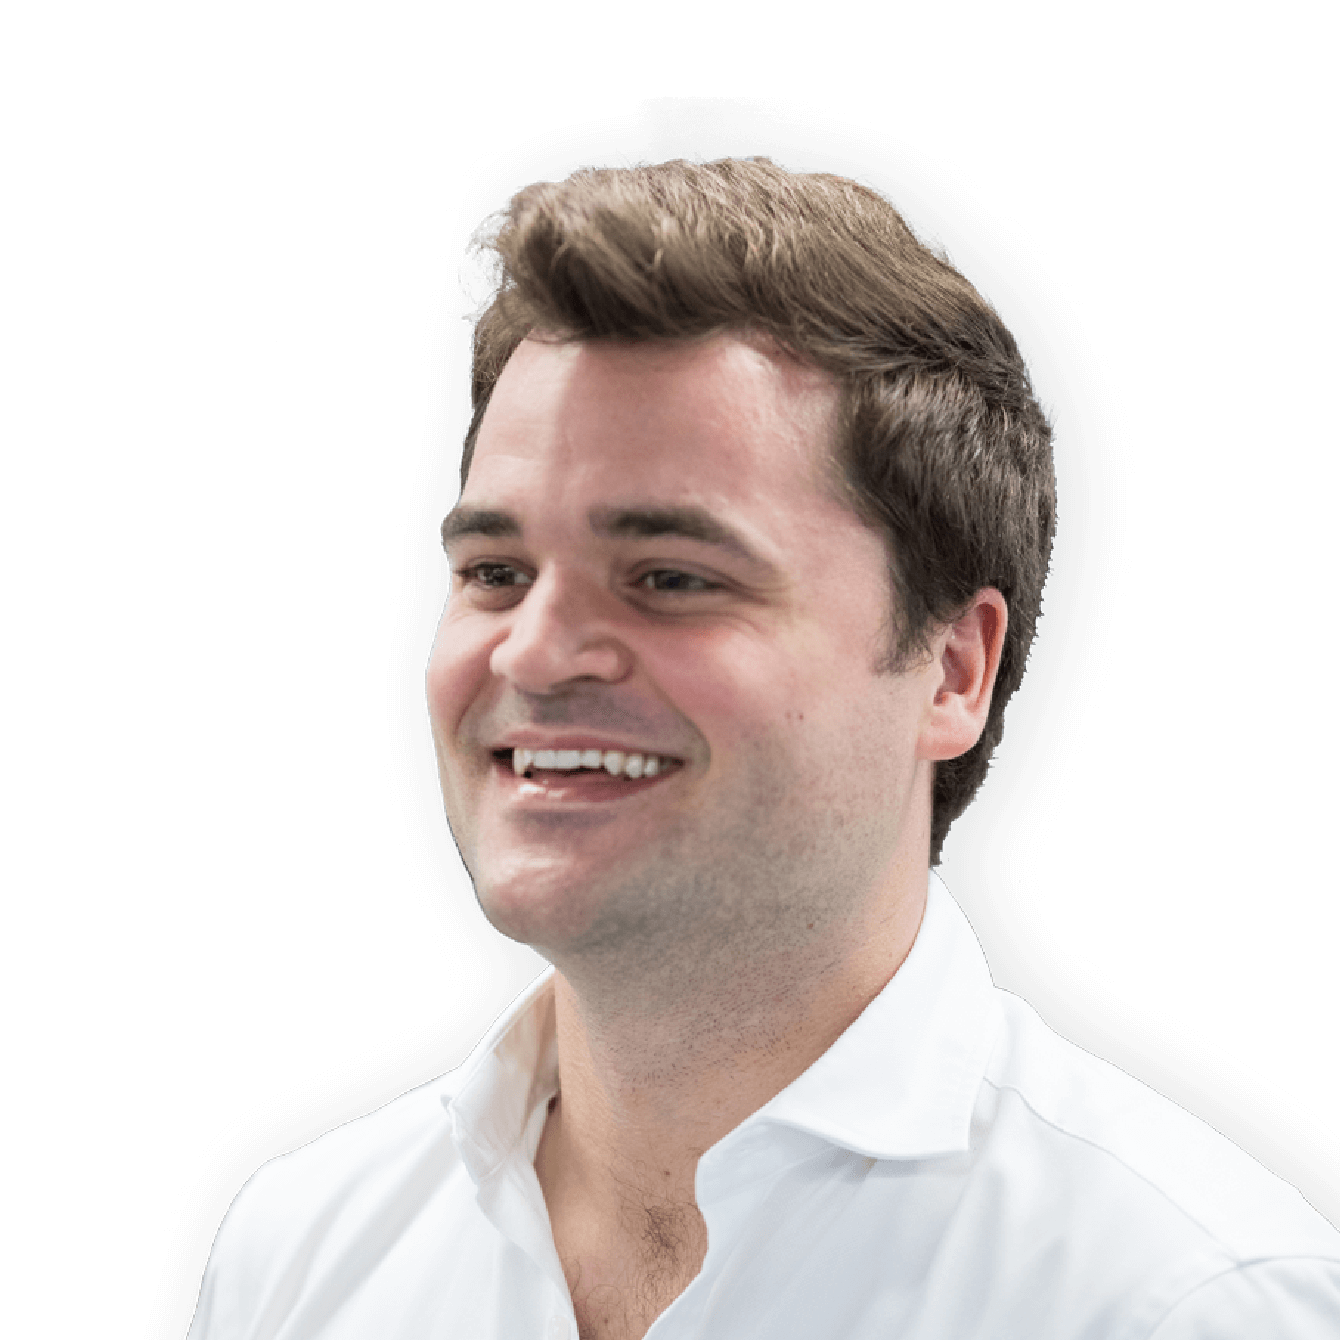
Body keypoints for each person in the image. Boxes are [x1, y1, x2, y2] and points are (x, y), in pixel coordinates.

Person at [186, 157, 1340, 1340]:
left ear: (952, 668)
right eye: (493, 571)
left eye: (669, 577)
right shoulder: (299, 1248)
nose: (531, 653)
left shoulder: (1192, 1300)